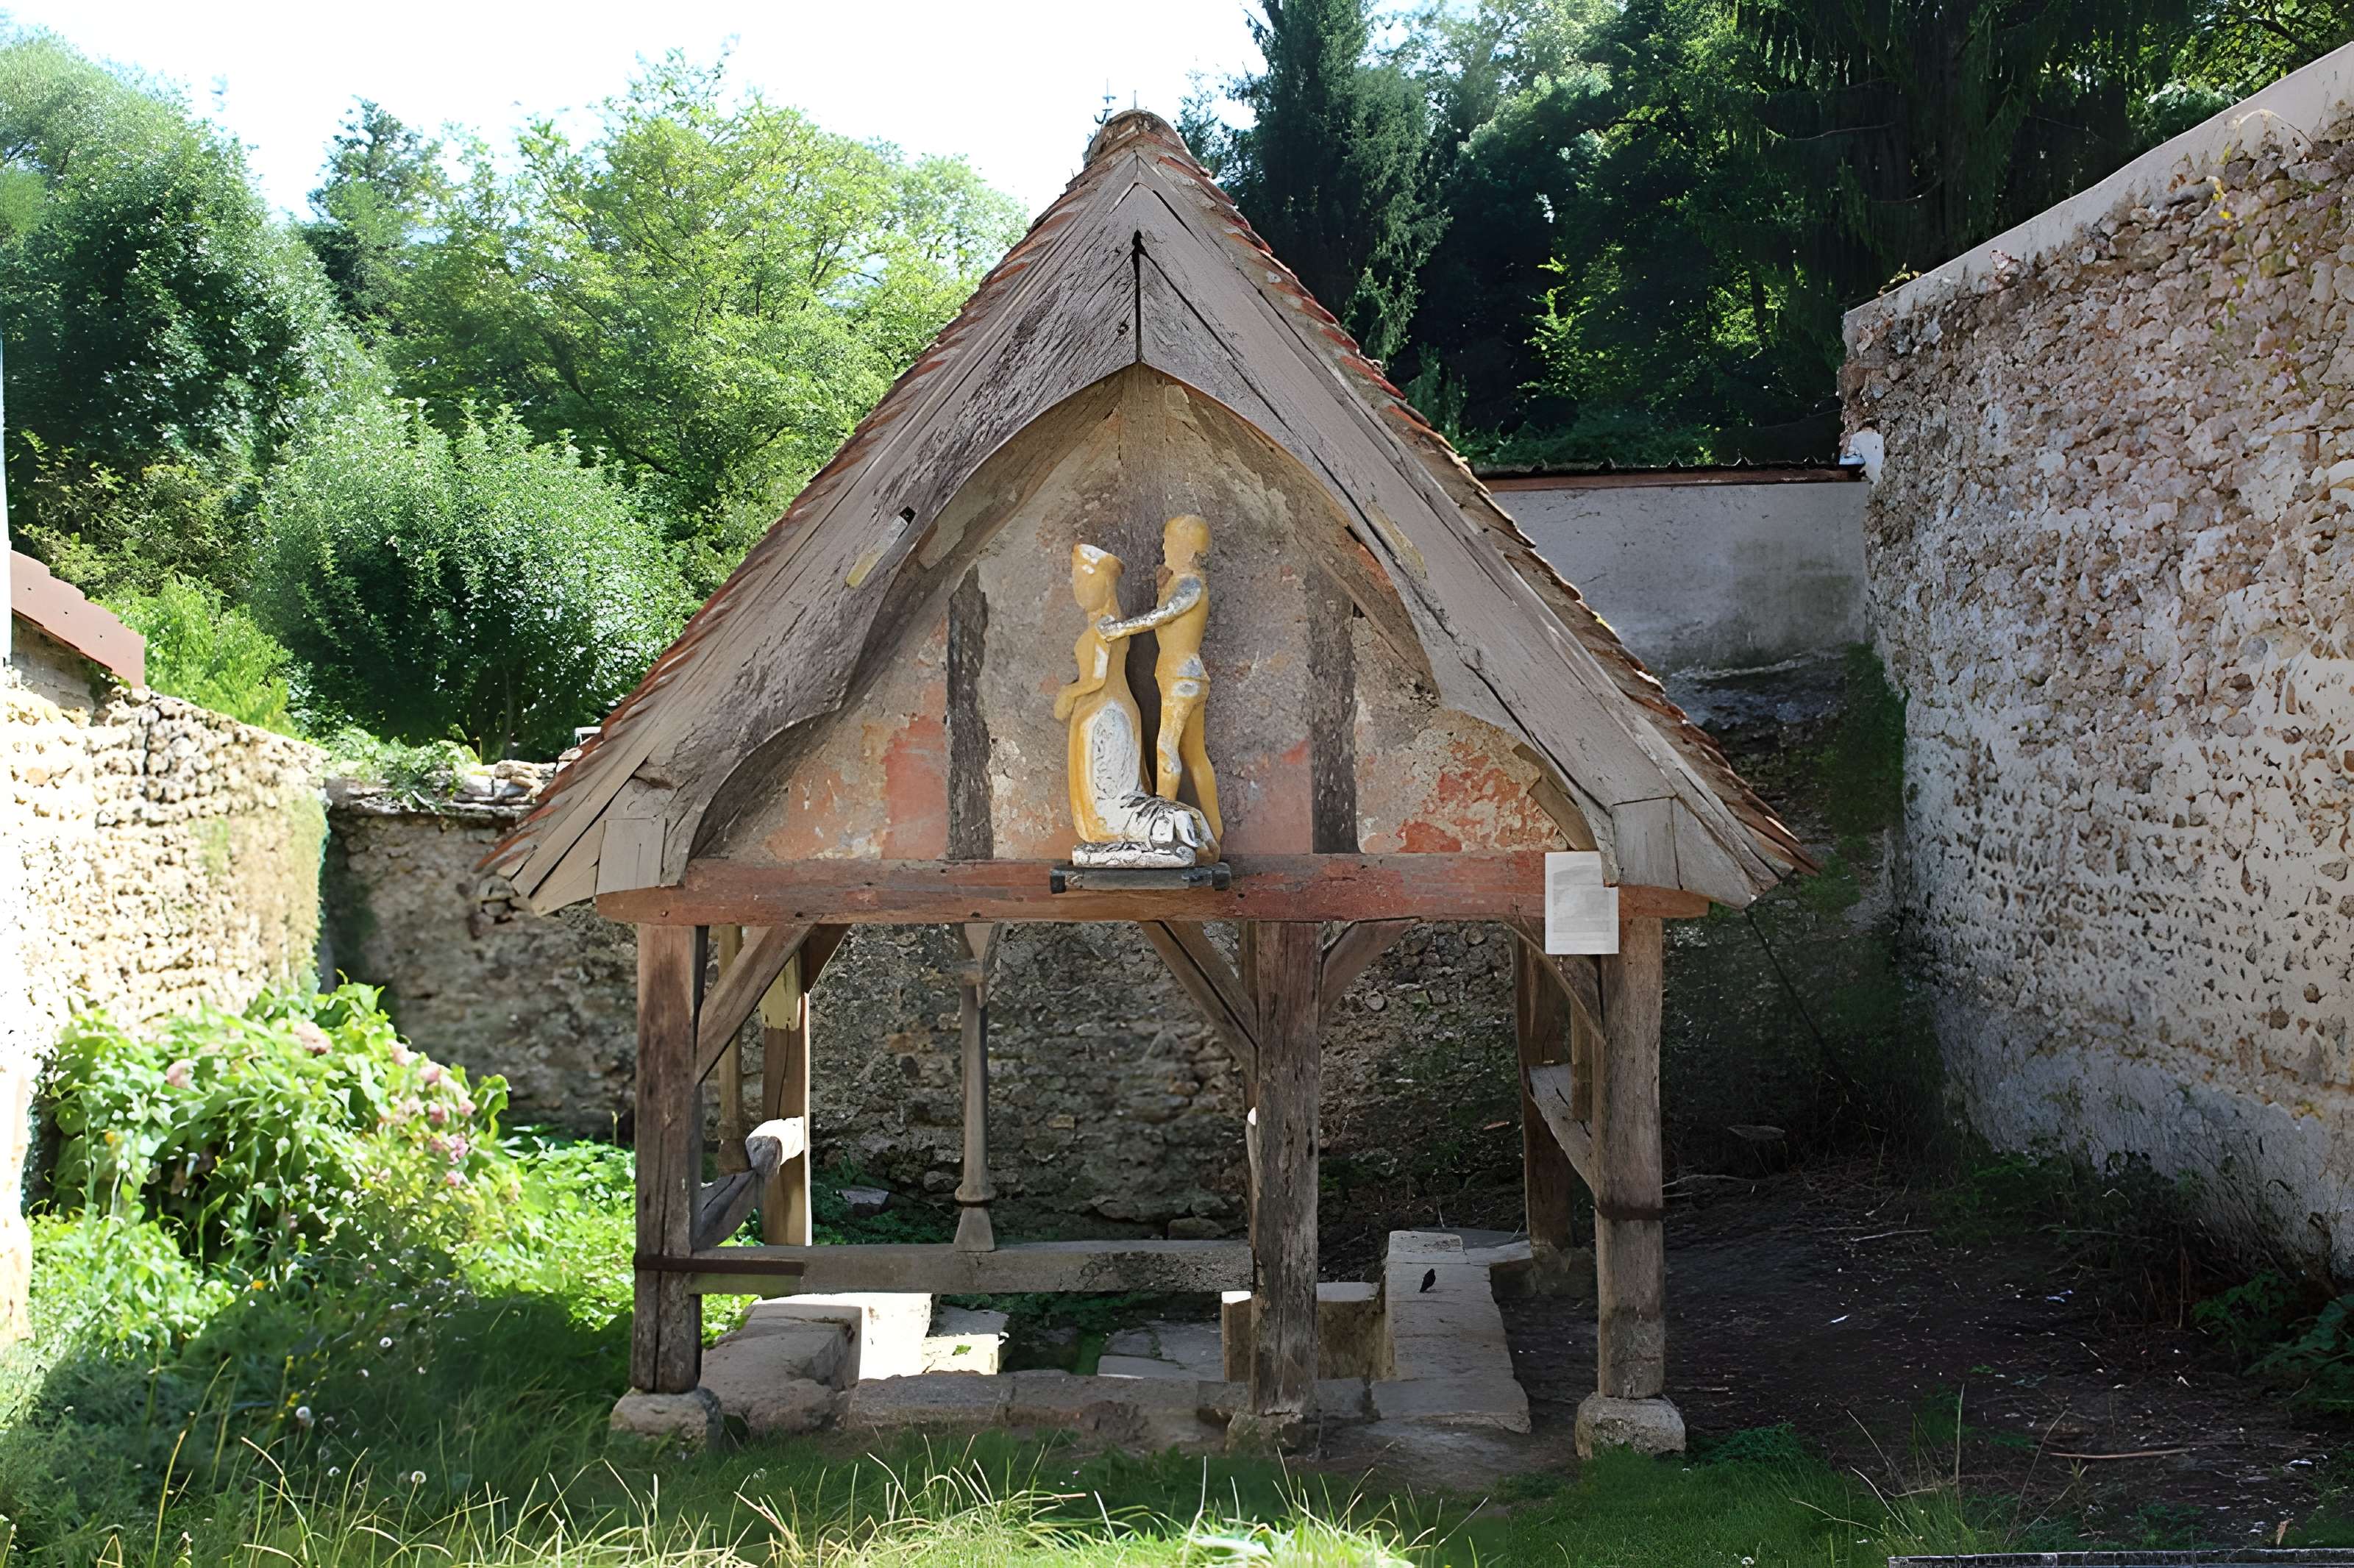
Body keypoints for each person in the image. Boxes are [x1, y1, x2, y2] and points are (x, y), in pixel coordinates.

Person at [1054, 544, 1217, 866]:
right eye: (1076, 580)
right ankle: (1179, 826)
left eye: (1085, 580)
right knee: (1108, 807)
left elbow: (1098, 678)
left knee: (1104, 814)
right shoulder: (1105, 624)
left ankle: (1168, 827)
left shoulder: (1108, 626)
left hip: (1105, 716)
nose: (1078, 589)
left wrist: (1068, 695)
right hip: (1106, 713)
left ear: (1104, 584)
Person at [1092, 513, 1222, 839]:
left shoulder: (1191, 584)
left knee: (1166, 750)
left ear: (1188, 549)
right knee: (1194, 755)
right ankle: (1214, 833)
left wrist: (1118, 630)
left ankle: (1161, 830)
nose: (1164, 546)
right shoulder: (1180, 582)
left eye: (1170, 542)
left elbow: (1164, 616)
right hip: (1181, 677)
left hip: (1181, 678)